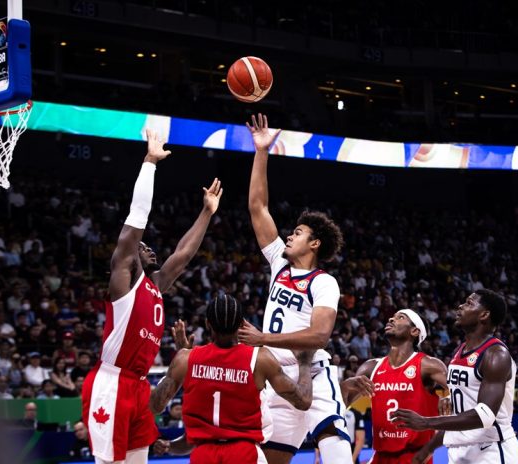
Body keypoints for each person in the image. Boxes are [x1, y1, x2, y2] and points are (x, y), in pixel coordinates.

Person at [82, 130, 223, 464]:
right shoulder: (123, 281)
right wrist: (149, 163)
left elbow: (183, 255)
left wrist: (206, 212)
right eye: (143, 248)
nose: (150, 249)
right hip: (112, 383)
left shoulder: (155, 286)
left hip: (139, 386)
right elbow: (136, 222)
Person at [238, 113, 350, 464]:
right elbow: (257, 207)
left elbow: (319, 335)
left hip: (311, 371)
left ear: (314, 243)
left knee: (334, 445)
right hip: (276, 378)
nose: (289, 235)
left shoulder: (324, 282)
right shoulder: (279, 264)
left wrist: (263, 339)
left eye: (298, 233)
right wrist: (261, 152)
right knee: (272, 458)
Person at [149, 295, 318, 464]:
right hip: (245, 453)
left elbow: (155, 406)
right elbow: (303, 401)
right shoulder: (260, 359)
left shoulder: (186, 359)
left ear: (207, 324)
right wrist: (304, 364)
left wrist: (179, 360)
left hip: (203, 455)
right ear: (242, 324)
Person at [392, 290, 518, 464]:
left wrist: (426, 422)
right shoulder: (459, 351)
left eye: (469, 303)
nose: (460, 306)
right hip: (458, 450)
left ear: (484, 315)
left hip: (492, 449)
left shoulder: (496, 354)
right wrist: (427, 450)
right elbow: (458, 415)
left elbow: (485, 416)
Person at [343, 309, 450, 464]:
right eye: (392, 317)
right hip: (380, 456)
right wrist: (345, 387)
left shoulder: (428, 365)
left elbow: (462, 391)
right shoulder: (370, 367)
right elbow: (338, 406)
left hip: (415, 457)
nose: (391, 319)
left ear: (414, 331)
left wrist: (449, 396)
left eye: (400, 317)